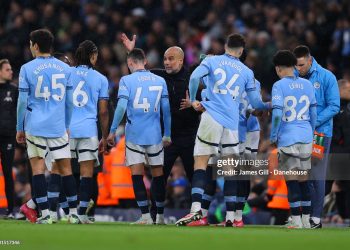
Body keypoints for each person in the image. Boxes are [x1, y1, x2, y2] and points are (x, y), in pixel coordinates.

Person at [175, 33, 270, 226]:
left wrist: (193, 99)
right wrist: (272, 105)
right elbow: (256, 103)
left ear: (225, 46)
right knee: (230, 170)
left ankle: (196, 212)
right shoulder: (247, 72)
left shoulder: (213, 60)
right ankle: (231, 218)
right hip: (233, 124)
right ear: (242, 51)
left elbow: (194, 77)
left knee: (202, 163)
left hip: (212, 115)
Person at [16, 29, 79, 224]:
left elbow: (22, 101)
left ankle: (44, 215)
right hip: (58, 125)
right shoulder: (66, 69)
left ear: (35, 45)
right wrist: (67, 124)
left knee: (38, 169)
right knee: (66, 169)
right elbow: (69, 102)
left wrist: (20, 127)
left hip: (35, 126)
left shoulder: (26, 68)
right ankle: (74, 214)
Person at [121, 34, 200, 182]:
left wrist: (194, 103)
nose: (167, 62)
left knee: (194, 176)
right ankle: (157, 206)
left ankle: (197, 205)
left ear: (181, 60)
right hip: (166, 138)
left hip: (189, 137)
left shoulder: (193, 80)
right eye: (165, 59)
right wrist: (130, 52)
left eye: (171, 59)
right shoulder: (157, 77)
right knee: (159, 179)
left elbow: (207, 106)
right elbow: (135, 75)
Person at [107, 48, 171, 225]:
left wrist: (112, 130)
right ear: (145, 61)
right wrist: (168, 134)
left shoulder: (127, 80)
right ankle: (160, 216)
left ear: (130, 63)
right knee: (158, 175)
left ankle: (144, 216)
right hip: (155, 134)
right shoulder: (160, 80)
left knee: (137, 175)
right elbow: (166, 111)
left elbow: (120, 107)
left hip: (135, 134)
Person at [293, 45, 340, 228]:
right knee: (301, 174)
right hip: (299, 132)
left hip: (319, 133)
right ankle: (305, 216)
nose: (298, 69)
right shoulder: (295, 77)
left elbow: (334, 106)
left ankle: (316, 218)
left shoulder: (327, 77)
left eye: (302, 65)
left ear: (310, 60)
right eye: (296, 65)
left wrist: (313, 123)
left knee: (316, 175)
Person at [270, 50, 317, 228]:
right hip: (305, 136)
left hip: (288, 136)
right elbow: (313, 111)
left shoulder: (279, 85)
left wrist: (274, 134)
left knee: (291, 181)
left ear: (278, 69)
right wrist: (311, 131)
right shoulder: (307, 84)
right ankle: (306, 220)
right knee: (303, 179)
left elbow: (276, 113)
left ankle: (296, 221)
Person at [66, 40, 109, 223]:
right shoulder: (100, 78)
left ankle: (65, 212)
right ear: (93, 56)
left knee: (63, 172)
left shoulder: (67, 74)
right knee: (87, 173)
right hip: (88, 130)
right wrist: (105, 137)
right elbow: (103, 111)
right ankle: (82, 213)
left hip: (66, 130)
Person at [0, 59, 17, 219]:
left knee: (7, 172)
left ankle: (11, 210)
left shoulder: (14, 90)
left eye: (10, 69)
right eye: (7, 69)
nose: (11, 72)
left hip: (8, 137)